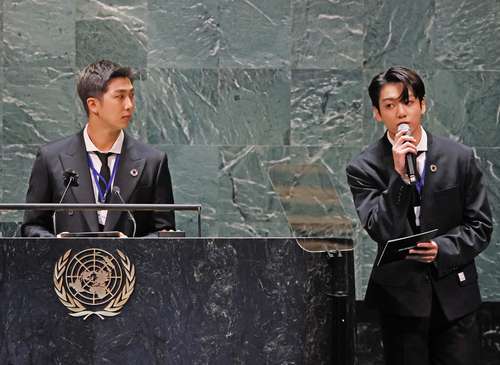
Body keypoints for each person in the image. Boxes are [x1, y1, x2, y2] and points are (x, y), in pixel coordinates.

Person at [346, 66, 492, 365]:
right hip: (401, 301)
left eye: (408, 102)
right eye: (389, 105)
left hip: (456, 297)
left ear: (422, 105)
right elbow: (379, 228)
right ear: (377, 113)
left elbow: (480, 225)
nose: (401, 113)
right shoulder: (363, 167)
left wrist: (442, 248)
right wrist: (400, 177)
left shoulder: (459, 158)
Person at [22, 60, 175, 237]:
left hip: (129, 264)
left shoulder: (152, 162)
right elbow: (32, 226)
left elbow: (166, 234)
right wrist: (58, 245)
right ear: (93, 105)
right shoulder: (51, 158)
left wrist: (134, 248)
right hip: (70, 263)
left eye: (131, 95)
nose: (129, 105)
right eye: (120, 97)